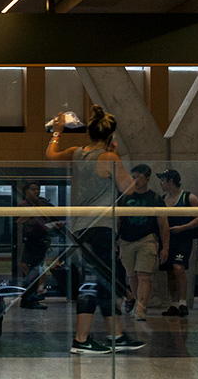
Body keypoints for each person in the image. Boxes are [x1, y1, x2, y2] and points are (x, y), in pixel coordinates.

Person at [46, 105, 142, 355]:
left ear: (89, 132)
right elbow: (130, 189)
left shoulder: (76, 153)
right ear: (111, 135)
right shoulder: (109, 158)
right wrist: (116, 154)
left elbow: (51, 155)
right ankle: (81, 339)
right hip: (100, 227)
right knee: (92, 282)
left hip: (80, 227)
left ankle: (117, 335)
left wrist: (57, 132)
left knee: (105, 282)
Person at [116, 163, 168, 325]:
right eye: (133, 176)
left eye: (139, 177)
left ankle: (141, 307)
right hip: (126, 240)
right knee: (132, 275)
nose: (135, 180)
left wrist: (165, 246)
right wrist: (115, 240)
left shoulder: (155, 198)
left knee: (144, 274)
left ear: (147, 178)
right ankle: (137, 301)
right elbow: (117, 219)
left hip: (147, 239)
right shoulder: (124, 197)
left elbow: (163, 223)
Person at [159, 169, 198, 316]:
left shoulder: (189, 198)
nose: (161, 184)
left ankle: (183, 302)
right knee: (170, 271)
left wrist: (183, 227)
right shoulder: (162, 199)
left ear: (170, 181)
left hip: (182, 239)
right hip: (167, 240)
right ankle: (174, 303)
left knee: (179, 268)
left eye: (163, 180)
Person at [16, 180, 54, 309]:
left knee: (37, 270)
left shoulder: (42, 203)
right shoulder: (24, 205)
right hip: (32, 240)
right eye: (33, 189)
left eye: (38, 189)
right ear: (26, 192)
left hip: (41, 239)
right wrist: (34, 212)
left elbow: (46, 221)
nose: (36, 192)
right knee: (34, 269)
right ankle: (29, 298)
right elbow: (19, 220)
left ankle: (30, 297)